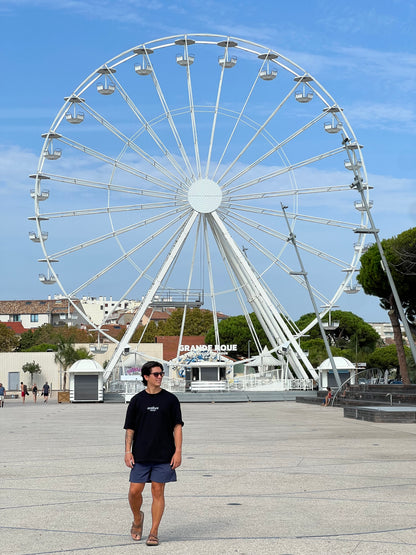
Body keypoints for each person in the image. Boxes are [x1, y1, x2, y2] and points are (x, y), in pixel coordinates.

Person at [124, 361, 183, 546]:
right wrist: (127, 451)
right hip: (140, 454)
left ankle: (154, 531)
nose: (160, 377)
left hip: (164, 455)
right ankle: (137, 518)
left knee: (158, 490)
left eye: (161, 374)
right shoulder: (137, 401)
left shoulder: (171, 400)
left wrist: (178, 452)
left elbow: (177, 427)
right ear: (146, 377)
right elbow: (130, 429)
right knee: (134, 491)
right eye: (156, 374)